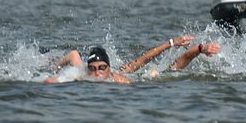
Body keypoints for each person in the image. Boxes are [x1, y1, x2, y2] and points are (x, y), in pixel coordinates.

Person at [44, 36, 217, 84]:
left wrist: (172, 43)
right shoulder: (83, 74)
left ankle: (199, 48)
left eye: (102, 68)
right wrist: (55, 78)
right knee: (74, 56)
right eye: (93, 68)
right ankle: (53, 63)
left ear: (109, 68)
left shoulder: (120, 77)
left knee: (159, 73)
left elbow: (145, 59)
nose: (97, 73)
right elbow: (62, 78)